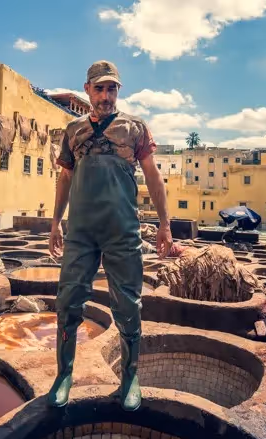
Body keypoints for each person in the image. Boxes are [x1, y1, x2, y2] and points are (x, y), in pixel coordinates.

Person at [48, 61, 172, 411]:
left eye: (112, 89)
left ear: (118, 91)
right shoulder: (73, 131)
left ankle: (130, 377)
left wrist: (165, 224)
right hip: (81, 233)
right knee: (68, 303)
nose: (106, 95)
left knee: (128, 306)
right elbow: (65, 179)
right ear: (87, 89)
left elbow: (152, 176)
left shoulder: (134, 129)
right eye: (99, 88)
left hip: (122, 230)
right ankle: (64, 375)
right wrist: (55, 222)